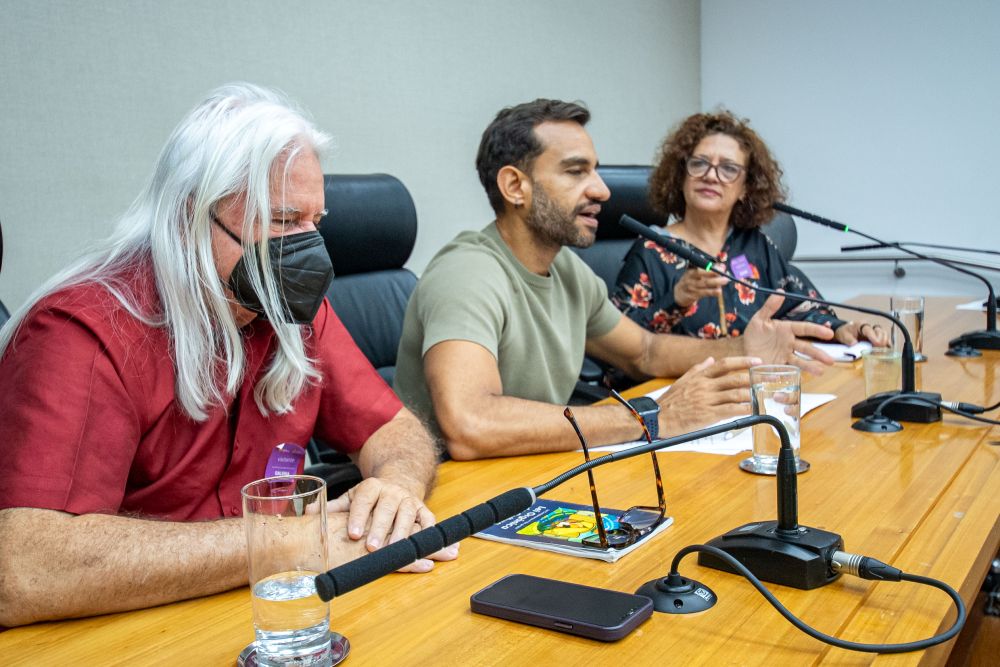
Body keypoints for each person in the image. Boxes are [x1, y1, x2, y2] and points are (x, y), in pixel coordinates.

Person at [0, 83, 456, 628]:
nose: (312, 249)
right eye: (285, 221)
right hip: (126, 631)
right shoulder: (82, 333)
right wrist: (290, 540)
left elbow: (397, 430)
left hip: (265, 610)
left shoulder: (291, 309)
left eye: (318, 222)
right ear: (193, 218)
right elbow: (27, 569)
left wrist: (394, 491)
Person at [393, 99, 836, 461]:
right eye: (575, 171)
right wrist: (652, 416)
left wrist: (742, 349)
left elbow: (645, 351)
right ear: (515, 186)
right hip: (456, 504)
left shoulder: (566, 270)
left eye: (595, 170)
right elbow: (470, 425)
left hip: (534, 475)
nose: (601, 190)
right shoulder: (468, 274)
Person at [612, 110, 889, 346]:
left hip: (752, 387)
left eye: (729, 169)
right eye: (699, 163)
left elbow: (799, 308)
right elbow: (620, 349)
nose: (711, 176)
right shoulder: (651, 251)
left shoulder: (753, 245)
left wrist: (841, 329)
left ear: (745, 187)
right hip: (681, 393)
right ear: (681, 175)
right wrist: (676, 300)